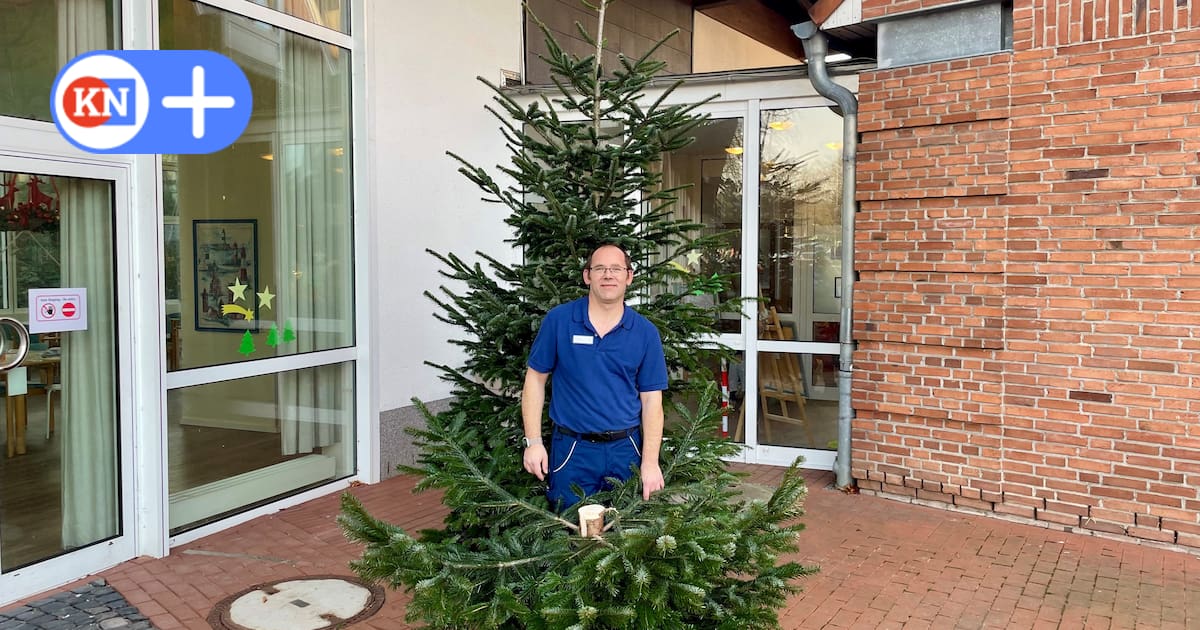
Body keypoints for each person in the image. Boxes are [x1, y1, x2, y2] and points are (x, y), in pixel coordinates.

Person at [521, 243, 668, 510]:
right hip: (572, 450)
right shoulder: (559, 321)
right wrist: (533, 443)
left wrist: (650, 462)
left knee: (627, 535)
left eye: (616, 269)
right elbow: (535, 380)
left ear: (629, 276)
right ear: (587, 276)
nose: (608, 275)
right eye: (599, 268)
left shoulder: (645, 333)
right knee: (571, 532)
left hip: (627, 450)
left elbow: (651, 402)